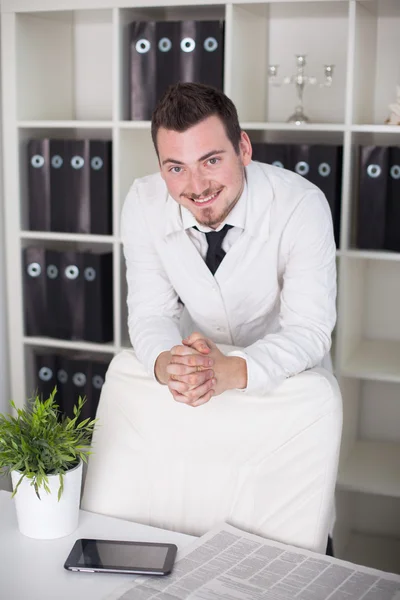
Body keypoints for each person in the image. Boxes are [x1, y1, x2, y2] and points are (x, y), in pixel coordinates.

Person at [120, 82, 338, 554]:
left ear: (243, 148)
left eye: (211, 160)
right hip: (197, 397)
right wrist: (167, 364)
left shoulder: (301, 205)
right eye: (175, 167)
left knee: (293, 545)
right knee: (201, 541)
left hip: (287, 397)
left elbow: (310, 329)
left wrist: (232, 370)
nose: (196, 187)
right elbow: (151, 313)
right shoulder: (141, 203)